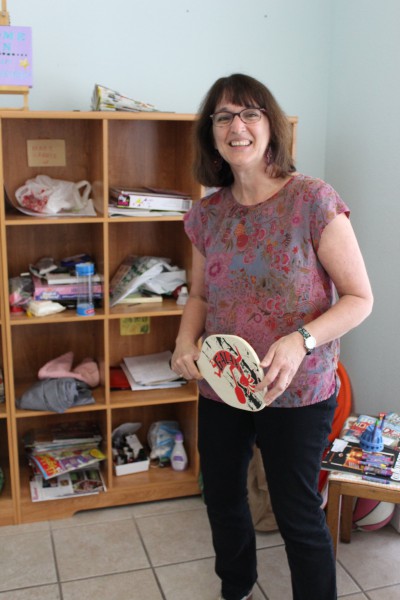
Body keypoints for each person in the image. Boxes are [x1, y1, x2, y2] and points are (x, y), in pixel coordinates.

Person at [171, 73, 373, 600]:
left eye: (250, 113)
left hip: (298, 389)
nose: (236, 126)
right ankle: (235, 587)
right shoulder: (206, 215)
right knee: (221, 496)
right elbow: (198, 298)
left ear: (271, 125)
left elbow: (359, 298)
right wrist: (183, 343)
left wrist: (300, 339)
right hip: (223, 384)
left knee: (297, 511)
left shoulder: (313, 199)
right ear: (210, 133)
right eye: (223, 117)